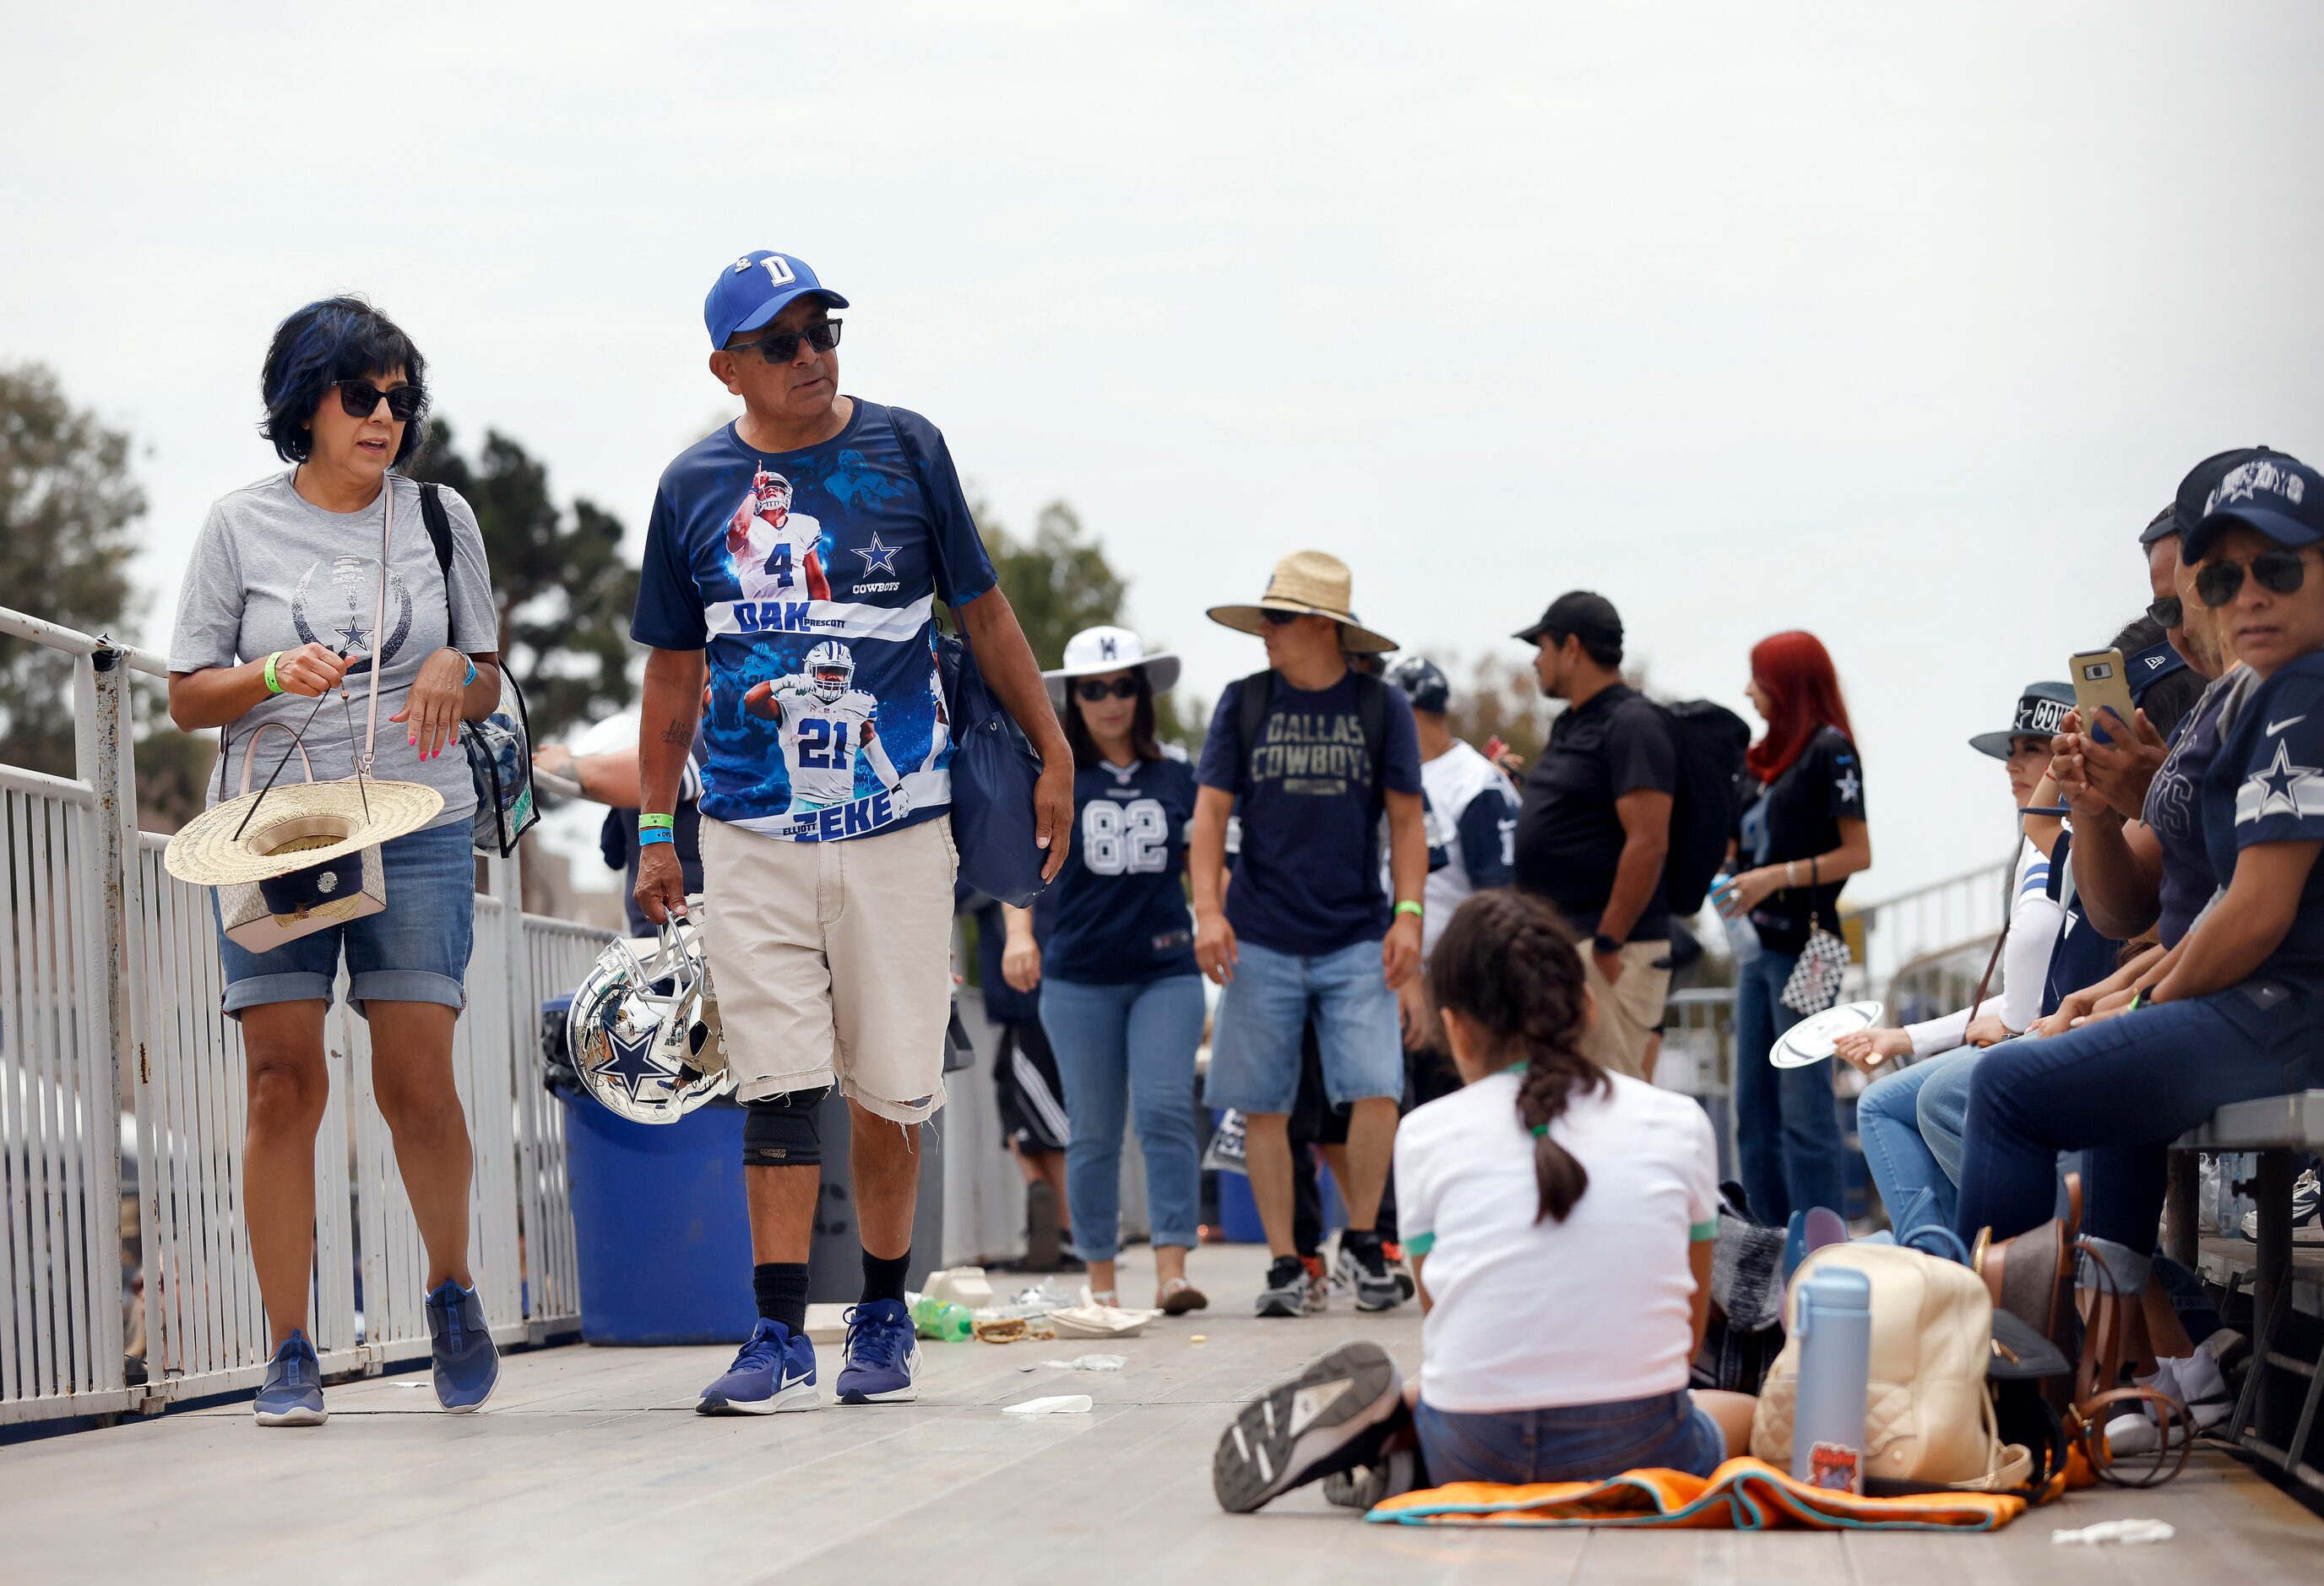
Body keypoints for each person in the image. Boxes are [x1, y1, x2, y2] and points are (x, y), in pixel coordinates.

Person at [629, 250, 1071, 1414]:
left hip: (899, 823)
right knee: (774, 1082)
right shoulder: (691, 489)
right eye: (781, 342)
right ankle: (777, 1331)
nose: (814, 355)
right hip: (749, 826)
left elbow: (983, 612)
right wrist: (656, 825)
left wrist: (1055, 749)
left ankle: (881, 1302)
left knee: (889, 1087)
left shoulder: (908, 447)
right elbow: (674, 676)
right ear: (729, 366)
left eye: (823, 328)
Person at [167, 296, 505, 1425]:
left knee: (417, 1079)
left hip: (419, 817)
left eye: (401, 398)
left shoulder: (442, 517)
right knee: (280, 1080)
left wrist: (461, 664)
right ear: (303, 401)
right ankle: (290, 1347)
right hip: (278, 828)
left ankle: (450, 1287)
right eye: (361, 395)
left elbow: (488, 671)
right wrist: (271, 677)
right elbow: (183, 694)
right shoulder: (237, 528)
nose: (384, 416)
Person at [1209, 891, 1755, 1513]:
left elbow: (1444, 1317)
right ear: (1587, 1009)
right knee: (1744, 1413)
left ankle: (1398, 1436)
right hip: (1636, 1448)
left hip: (1472, 1449)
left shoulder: (1423, 1133)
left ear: (1457, 1032)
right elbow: (1685, 1338)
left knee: (1451, 1385)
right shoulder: (1679, 1122)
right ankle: (1399, 1432)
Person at [1955, 454, 2324, 1339]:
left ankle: (2009, 1386)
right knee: (2052, 1068)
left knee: (2007, 1087)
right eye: (2225, 578)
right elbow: (2191, 911)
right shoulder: (2268, 695)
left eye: (2276, 569)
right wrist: (2116, 993)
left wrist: (2141, 999)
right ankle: (2109, 1365)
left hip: (2287, 1008)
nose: (2247, 597)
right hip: (2265, 1000)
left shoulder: (2302, 694)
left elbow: (2258, 911)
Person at [1192, 551, 1428, 1317]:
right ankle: (1288, 1263)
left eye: (1280, 619)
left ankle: (1361, 1239)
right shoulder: (1244, 701)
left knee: (1376, 1086)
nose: (1265, 631)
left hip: (1358, 934)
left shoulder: (1380, 707)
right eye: (1264, 617)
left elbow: (1406, 821)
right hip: (1258, 934)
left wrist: (1410, 917)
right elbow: (1210, 816)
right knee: (1261, 1103)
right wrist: (1208, 911)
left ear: (1326, 628)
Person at [1000, 625, 1208, 1312]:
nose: (1112, 701)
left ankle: (1173, 1270)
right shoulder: (1053, 773)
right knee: (1091, 1127)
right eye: (1095, 689)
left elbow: (1208, 867)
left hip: (1166, 971)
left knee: (1167, 1110)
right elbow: (1017, 868)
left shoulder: (1180, 773)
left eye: (1124, 686)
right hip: (1079, 975)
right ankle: (1101, 1286)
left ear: (1141, 694)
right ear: (1074, 698)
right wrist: (1019, 934)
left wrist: (1217, 923)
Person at [1839, 682, 2070, 1240]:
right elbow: (2024, 992)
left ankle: (2033, 1260)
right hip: (2039, 1031)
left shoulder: (2078, 838)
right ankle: (1939, 1264)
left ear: (2068, 755)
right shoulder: (2034, 845)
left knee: (1935, 1100)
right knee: (1878, 1104)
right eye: (2011, 752)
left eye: (2031, 750)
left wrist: (2002, 1024)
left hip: (2066, 1037)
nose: (2012, 765)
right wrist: (1909, 1038)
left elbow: (2027, 1002)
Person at [1716, 631, 1872, 1227]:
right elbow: (1737, 848)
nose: (1749, 690)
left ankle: (1819, 1243)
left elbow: (1859, 854)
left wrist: (1775, 877)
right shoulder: (1756, 763)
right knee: (1751, 1110)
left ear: (1786, 684)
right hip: (1755, 950)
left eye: (1759, 677)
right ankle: (1765, 1245)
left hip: (1815, 947)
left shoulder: (1830, 751)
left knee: (1803, 1105)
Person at [1509, 592, 1675, 1080]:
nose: (1537, 661)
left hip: (1612, 953)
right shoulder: (1572, 723)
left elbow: (1649, 841)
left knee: (1613, 1100)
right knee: (1570, 1101)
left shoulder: (1633, 722)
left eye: (1542, 647)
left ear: (1573, 648)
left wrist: (1607, 944)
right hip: (1568, 949)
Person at [532, 711, 708, 936]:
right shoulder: (690, 735)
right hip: (666, 935)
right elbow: (612, 850)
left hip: (695, 935)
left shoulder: (707, 738)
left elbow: (620, 776)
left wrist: (563, 764)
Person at [974, 889, 1076, 1272]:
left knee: (1040, 1118)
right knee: (1028, 1110)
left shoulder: (1008, 853)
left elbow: (962, 889)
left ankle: (1064, 1228)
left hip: (1029, 992)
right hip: (1054, 989)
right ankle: (1052, 1223)